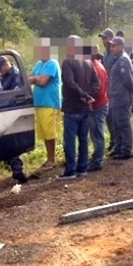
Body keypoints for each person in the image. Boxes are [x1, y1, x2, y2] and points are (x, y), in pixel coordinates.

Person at [58, 35, 100, 180]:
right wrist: (87, 96)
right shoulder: (88, 61)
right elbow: (97, 83)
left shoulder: (68, 62)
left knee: (70, 140)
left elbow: (69, 83)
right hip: (86, 107)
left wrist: (83, 95)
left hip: (72, 107)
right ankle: (82, 168)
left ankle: (71, 171)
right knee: (83, 139)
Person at [0, 56, 28, 185]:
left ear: (5, 66)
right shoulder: (4, 76)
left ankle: (16, 171)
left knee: (7, 143)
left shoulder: (16, 76)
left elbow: (12, 94)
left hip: (8, 111)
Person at [28, 38, 62, 170]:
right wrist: (35, 78)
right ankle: (49, 158)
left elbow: (43, 81)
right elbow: (28, 78)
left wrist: (36, 79)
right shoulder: (39, 65)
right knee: (44, 134)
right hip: (40, 104)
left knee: (50, 133)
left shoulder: (52, 63)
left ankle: (52, 160)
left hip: (50, 104)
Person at [107, 36, 133, 160]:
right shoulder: (117, 59)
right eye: (111, 46)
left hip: (122, 97)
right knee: (116, 124)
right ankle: (118, 148)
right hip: (115, 97)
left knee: (123, 124)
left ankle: (126, 150)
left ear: (121, 46)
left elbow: (127, 80)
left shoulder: (123, 60)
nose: (111, 48)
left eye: (114, 46)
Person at [88, 50, 109, 171]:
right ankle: (96, 157)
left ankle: (97, 161)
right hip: (98, 104)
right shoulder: (95, 65)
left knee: (97, 133)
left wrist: (88, 97)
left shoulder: (96, 68)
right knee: (95, 133)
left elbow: (99, 90)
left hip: (98, 105)